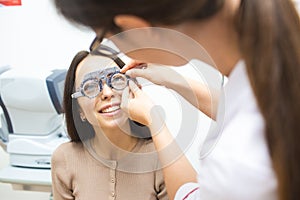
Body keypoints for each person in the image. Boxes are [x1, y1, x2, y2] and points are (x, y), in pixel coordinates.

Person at [53, 0, 300, 200]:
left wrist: (156, 121)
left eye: (110, 40)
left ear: (137, 28)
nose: (106, 92)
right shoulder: (265, 83)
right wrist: (173, 79)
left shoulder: (236, 161)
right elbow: (254, 107)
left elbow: (188, 195)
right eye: (90, 86)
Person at [51, 50, 168, 200]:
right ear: (79, 110)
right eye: (90, 86)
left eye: (115, 79)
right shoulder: (65, 158)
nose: (107, 92)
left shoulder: (161, 155)